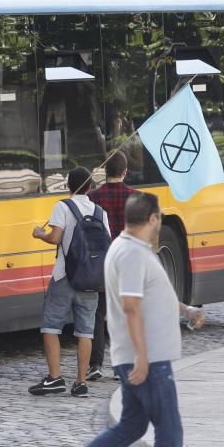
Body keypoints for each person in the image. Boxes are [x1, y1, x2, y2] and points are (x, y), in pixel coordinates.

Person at [49, 192, 205, 447]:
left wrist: (186, 310)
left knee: (132, 426)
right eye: (159, 219)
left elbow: (151, 295)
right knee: (169, 429)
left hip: (133, 355)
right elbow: (132, 306)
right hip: (148, 359)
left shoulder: (128, 247)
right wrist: (143, 358)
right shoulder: (132, 253)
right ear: (153, 219)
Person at [30, 166, 108, 398]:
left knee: (51, 326)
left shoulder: (62, 206)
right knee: (85, 331)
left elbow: (55, 238)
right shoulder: (99, 212)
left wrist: (38, 234)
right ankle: (81, 382)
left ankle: (54, 378)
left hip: (65, 276)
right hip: (91, 279)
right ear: (90, 187)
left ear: (68, 186)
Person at [86, 149, 139, 381]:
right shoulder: (135, 197)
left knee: (97, 314)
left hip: (100, 262)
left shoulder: (92, 197)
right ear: (125, 171)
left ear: (104, 170)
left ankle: (95, 365)